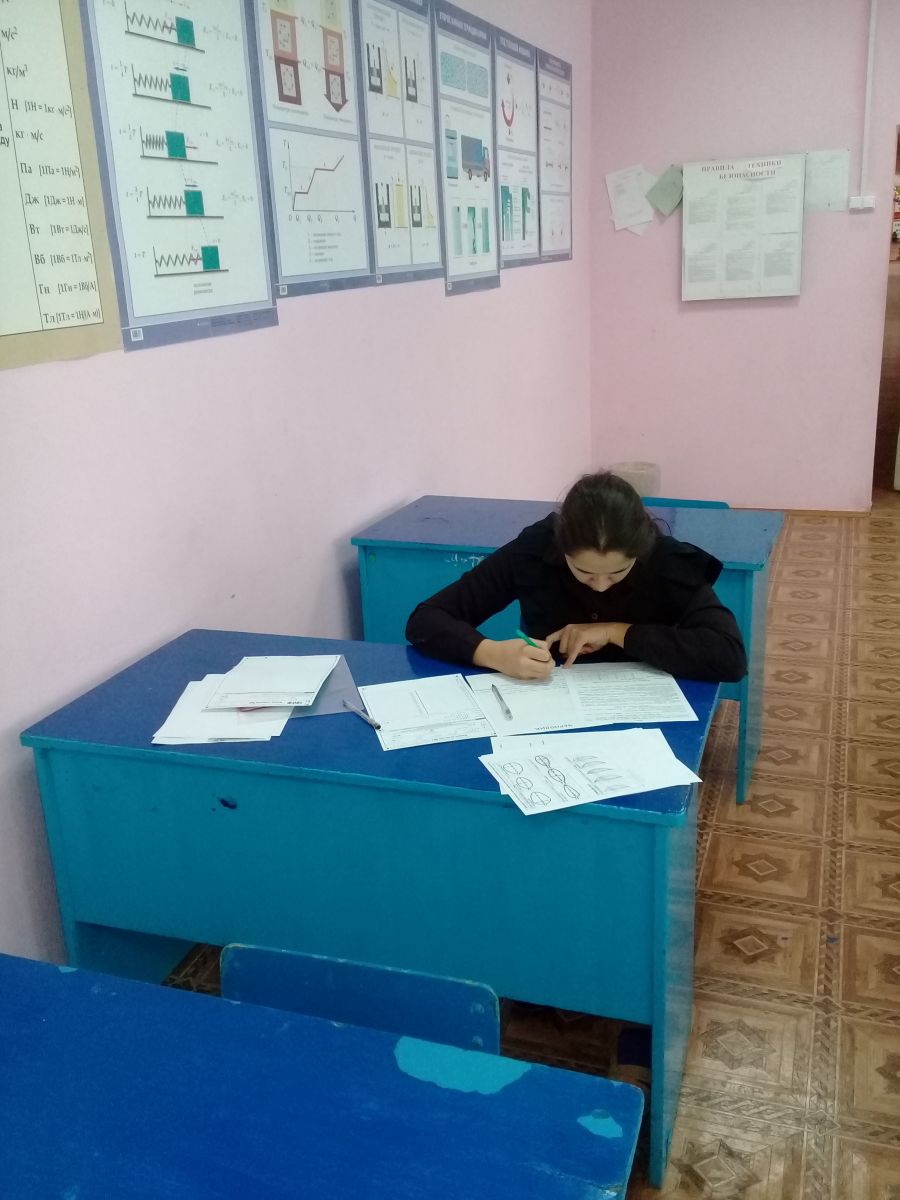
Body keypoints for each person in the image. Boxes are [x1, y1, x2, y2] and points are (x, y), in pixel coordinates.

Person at [405, 471, 747, 682]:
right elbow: (426, 620)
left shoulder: (667, 562)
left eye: (617, 573)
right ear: (561, 547)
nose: (600, 586)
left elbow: (728, 656)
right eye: (584, 572)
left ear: (640, 550)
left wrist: (616, 632)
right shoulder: (535, 551)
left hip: (648, 711)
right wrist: (491, 653)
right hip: (552, 701)